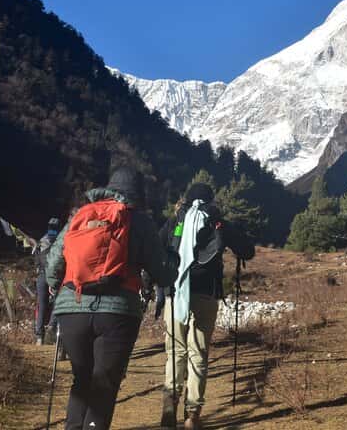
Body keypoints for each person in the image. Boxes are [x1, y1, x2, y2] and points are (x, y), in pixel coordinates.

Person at [46, 166, 179, 430]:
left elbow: (53, 265)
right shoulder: (139, 221)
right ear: (137, 194)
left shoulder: (80, 215)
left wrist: (54, 287)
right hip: (117, 314)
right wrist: (172, 261)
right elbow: (163, 274)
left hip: (72, 308)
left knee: (81, 381)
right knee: (104, 386)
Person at [159, 183, 255, 430]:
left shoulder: (175, 221)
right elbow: (248, 251)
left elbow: (158, 251)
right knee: (198, 353)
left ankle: (170, 401)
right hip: (206, 294)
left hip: (176, 293)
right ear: (210, 200)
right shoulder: (217, 221)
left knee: (176, 350)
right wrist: (240, 233)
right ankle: (192, 415)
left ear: (186, 199)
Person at [34, 217, 60, 345]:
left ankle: (39, 336)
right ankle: (52, 325)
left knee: (42, 305)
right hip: (55, 276)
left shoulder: (40, 242)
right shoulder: (61, 241)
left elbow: (36, 261)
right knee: (58, 302)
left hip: (42, 276)